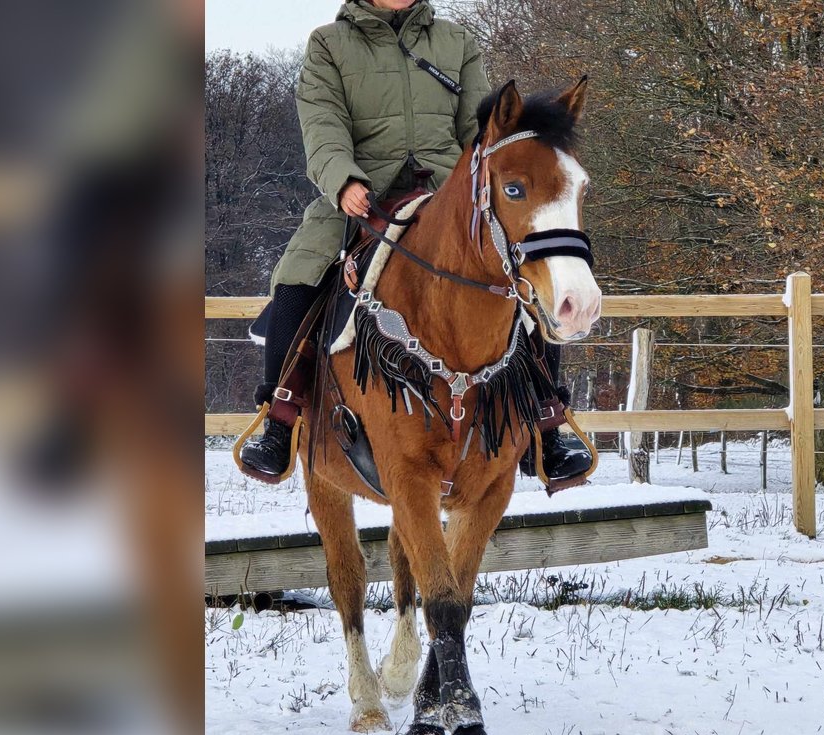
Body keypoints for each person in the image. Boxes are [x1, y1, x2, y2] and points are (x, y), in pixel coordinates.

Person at [240, 0, 592, 484]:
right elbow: (322, 128)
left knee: (521, 274)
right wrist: (342, 181)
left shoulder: (456, 41)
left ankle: (547, 423)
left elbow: (483, 129)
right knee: (298, 278)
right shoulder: (329, 43)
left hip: (449, 195)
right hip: (362, 195)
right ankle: (280, 420)